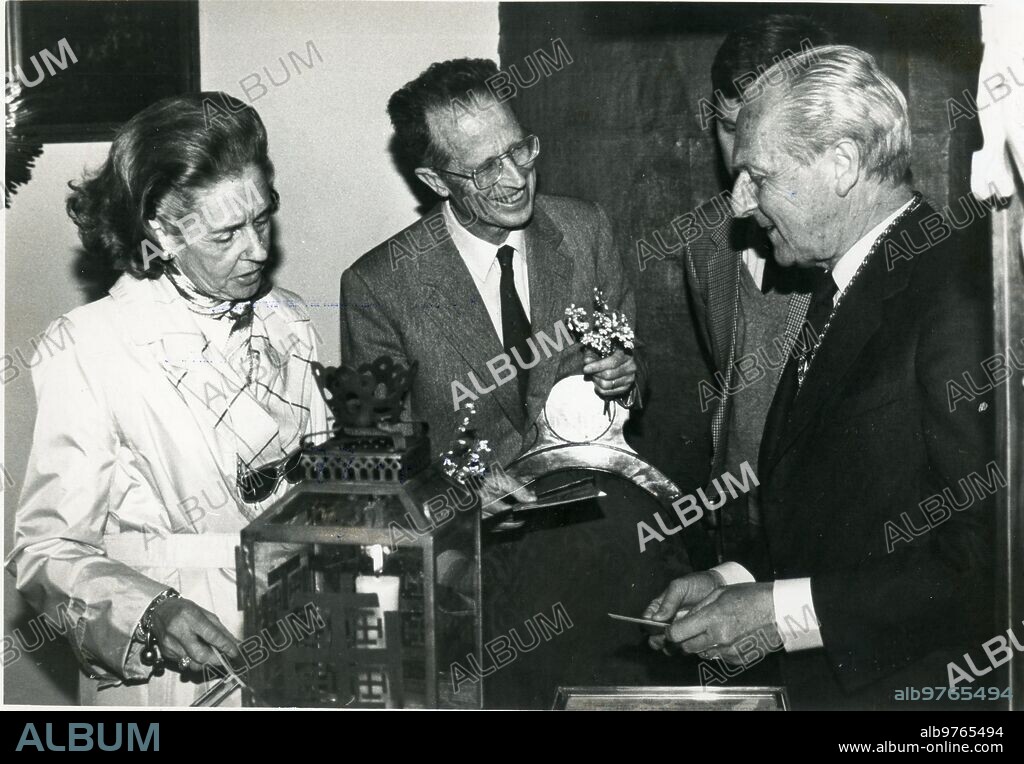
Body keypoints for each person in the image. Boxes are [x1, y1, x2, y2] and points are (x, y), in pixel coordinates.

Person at [646, 45, 995, 709]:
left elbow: (990, 558)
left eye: (758, 175)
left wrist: (781, 613)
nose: (741, 204)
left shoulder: (960, 288)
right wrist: (739, 576)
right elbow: (841, 505)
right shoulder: (843, 280)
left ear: (840, 164)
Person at [6, 92, 329, 706]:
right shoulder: (90, 346)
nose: (258, 249)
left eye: (263, 219)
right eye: (227, 233)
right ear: (161, 230)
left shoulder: (288, 321)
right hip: (170, 678)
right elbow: (46, 550)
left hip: (298, 640)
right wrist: (152, 613)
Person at [340, 58, 643, 515]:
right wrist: (457, 494)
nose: (517, 178)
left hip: (592, 507)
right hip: (468, 534)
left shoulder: (585, 230)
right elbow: (377, 450)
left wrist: (626, 377)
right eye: (485, 170)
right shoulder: (378, 286)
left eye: (519, 150)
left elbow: (634, 363)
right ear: (436, 181)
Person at [685, 14, 833, 563]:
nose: (741, 154)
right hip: (731, 532)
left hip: (827, 545)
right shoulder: (703, 243)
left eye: (762, 128)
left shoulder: (866, 245)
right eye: (729, 127)